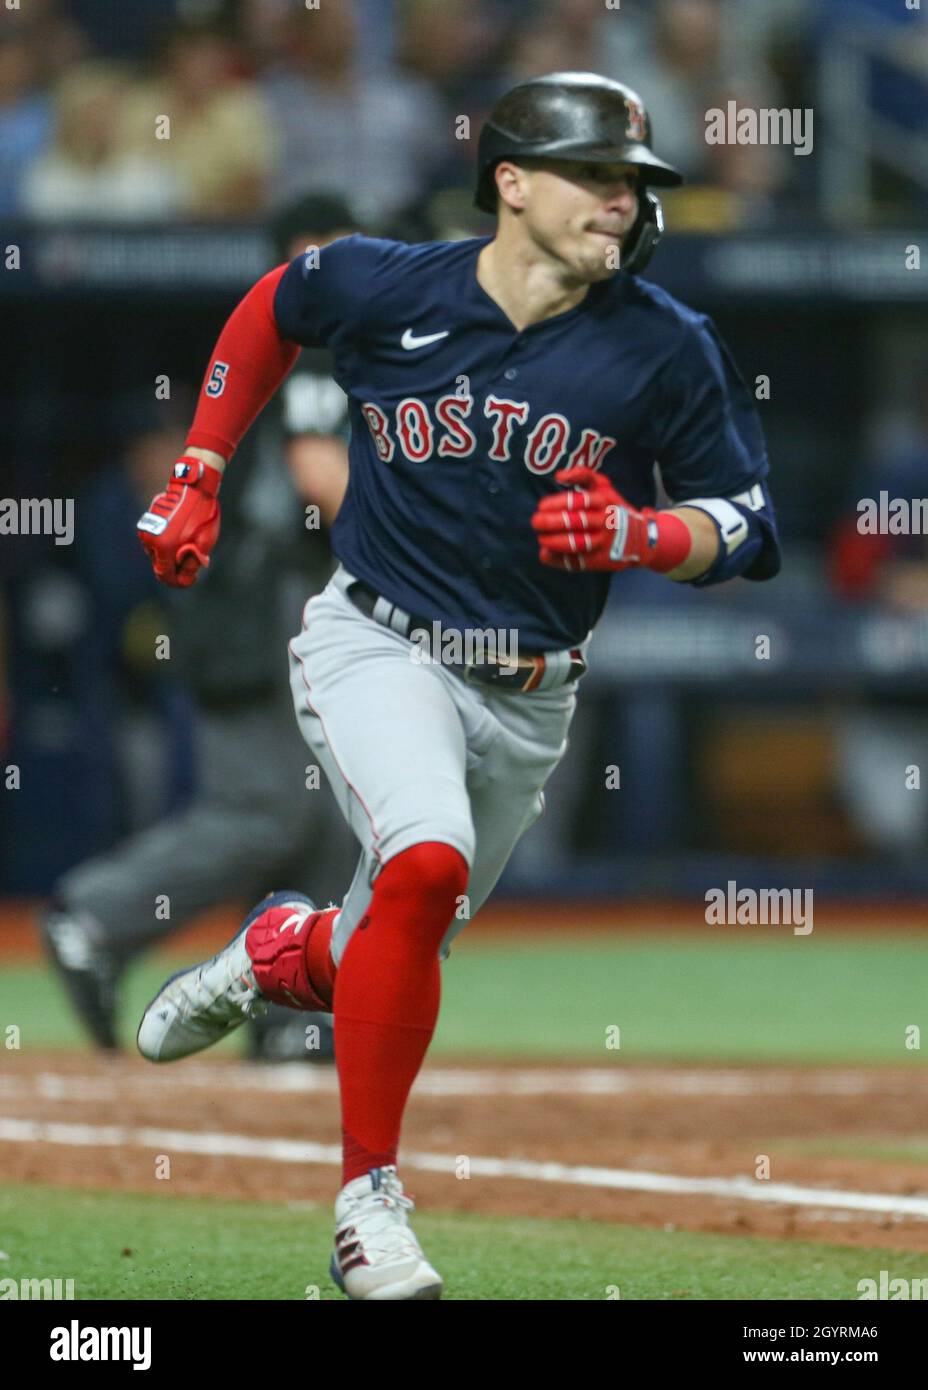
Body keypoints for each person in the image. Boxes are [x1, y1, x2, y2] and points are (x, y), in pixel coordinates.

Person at [133, 72, 780, 1301]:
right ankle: (366, 1203)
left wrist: (647, 536)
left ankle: (280, 951)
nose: (621, 202)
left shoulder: (665, 343)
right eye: (596, 175)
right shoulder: (395, 282)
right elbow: (277, 302)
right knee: (423, 862)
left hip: (529, 694)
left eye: (635, 182)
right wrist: (205, 464)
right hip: (376, 638)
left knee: (392, 931)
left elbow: (742, 523)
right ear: (512, 182)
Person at [40, 195, 356, 1061]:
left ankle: (294, 1014)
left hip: (281, 607)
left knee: (332, 815)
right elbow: (316, 484)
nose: (323, 275)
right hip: (261, 615)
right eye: (306, 256)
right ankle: (96, 919)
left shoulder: (336, 354)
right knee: (266, 810)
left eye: (339, 254)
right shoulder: (313, 355)